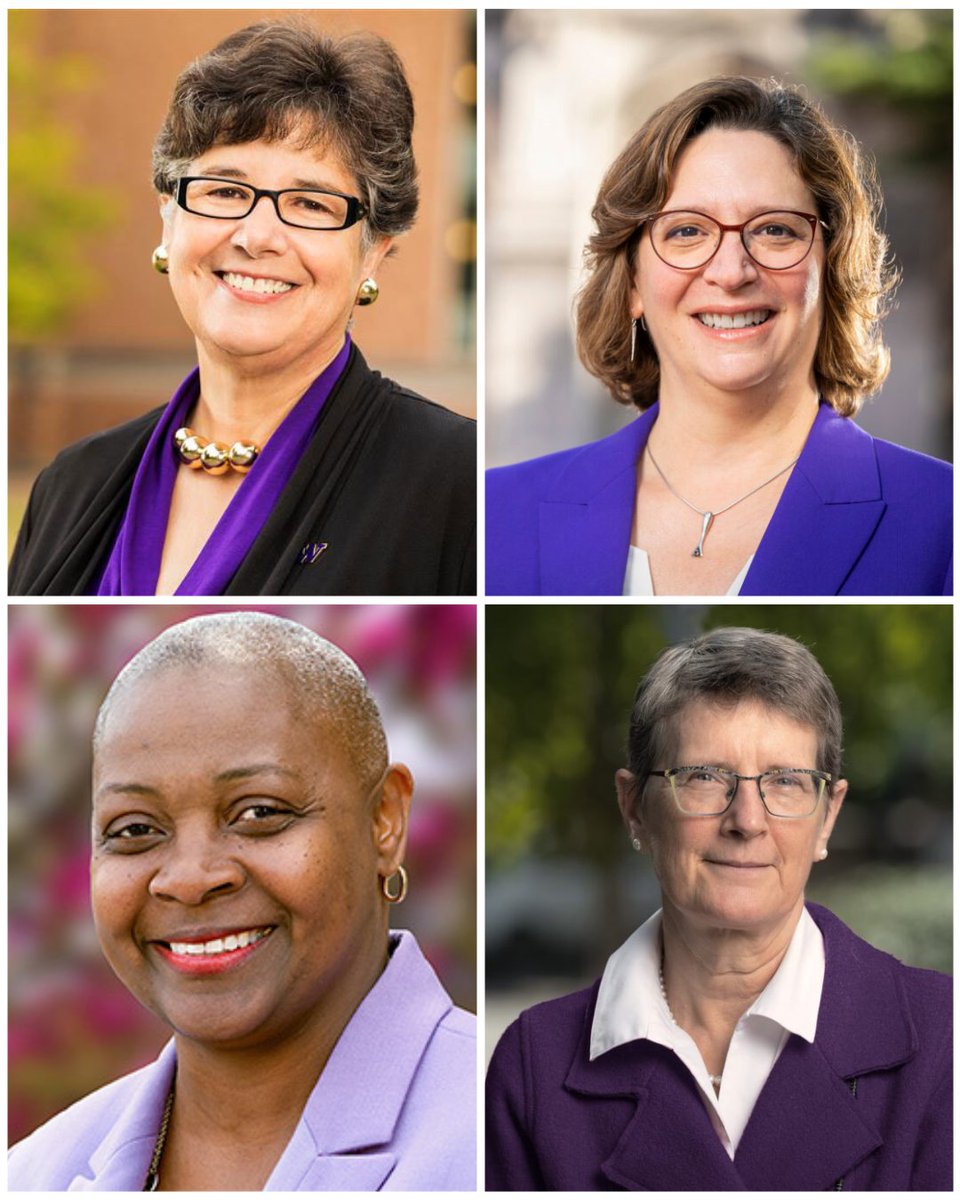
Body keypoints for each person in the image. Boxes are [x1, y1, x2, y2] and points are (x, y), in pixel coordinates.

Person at [9, 612, 476, 1190]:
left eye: (260, 813)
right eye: (134, 829)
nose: (190, 878)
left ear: (384, 820)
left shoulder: (496, 1132)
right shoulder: (35, 1175)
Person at [10, 21, 475, 596]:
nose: (257, 236)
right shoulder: (70, 485)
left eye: (310, 203)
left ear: (372, 254)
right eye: (226, 191)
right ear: (169, 218)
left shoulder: (457, 486)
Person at [486, 627, 951, 1191]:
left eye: (786, 782)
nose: (747, 821)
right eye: (705, 777)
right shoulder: (534, 1069)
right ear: (634, 809)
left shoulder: (942, 1038)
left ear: (827, 817)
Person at [486, 77, 951, 596]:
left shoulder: (941, 518)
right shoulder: (495, 514)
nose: (731, 272)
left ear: (832, 268)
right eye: (687, 231)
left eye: (775, 230)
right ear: (633, 282)